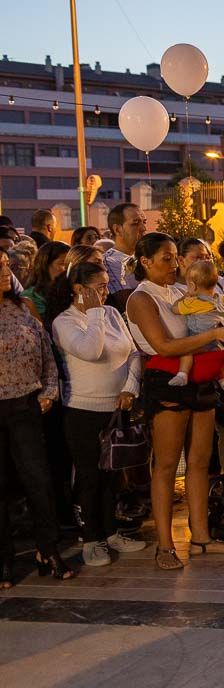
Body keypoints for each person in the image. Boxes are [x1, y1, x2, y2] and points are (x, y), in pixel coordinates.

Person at [125, 233, 224, 570]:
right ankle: (164, 545)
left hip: (199, 376)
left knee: (199, 460)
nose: (174, 264)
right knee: (165, 465)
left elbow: (208, 319)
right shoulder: (141, 298)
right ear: (145, 261)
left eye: (177, 257)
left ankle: (202, 537)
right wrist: (212, 336)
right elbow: (162, 345)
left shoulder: (181, 291)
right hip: (167, 379)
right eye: (166, 258)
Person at [50, 261, 146, 567]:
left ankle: (111, 530)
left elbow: (132, 351)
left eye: (107, 285)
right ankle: (91, 538)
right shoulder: (64, 322)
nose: (106, 293)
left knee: (113, 474)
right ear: (79, 289)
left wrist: (130, 386)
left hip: (117, 406)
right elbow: (91, 350)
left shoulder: (111, 313)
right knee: (90, 475)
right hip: (83, 409)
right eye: (99, 287)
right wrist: (92, 313)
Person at [0, 250, 76, 587]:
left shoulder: (22, 307)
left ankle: (48, 549)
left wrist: (48, 391)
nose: (6, 270)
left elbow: (46, 352)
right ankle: (4, 561)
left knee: (39, 481)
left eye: (5, 265)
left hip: (26, 406)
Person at [168, 261, 224, 389]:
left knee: (186, 351)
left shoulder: (194, 302)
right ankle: (222, 377)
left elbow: (174, 309)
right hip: (220, 341)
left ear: (193, 286)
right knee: (217, 357)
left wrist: (183, 297)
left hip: (199, 338)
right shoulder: (223, 299)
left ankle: (182, 374)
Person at [176, 239, 224, 325]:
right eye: (198, 258)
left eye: (207, 257)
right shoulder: (175, 289)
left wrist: (214, 315)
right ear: (181, 260)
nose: (204, 262)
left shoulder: (217, 279)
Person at [102, 203, 147, 310]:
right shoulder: (109, 261)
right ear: (118, 229)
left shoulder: (147, 256)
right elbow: (128, 302)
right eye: (135, 224)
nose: (143, 228)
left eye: (144, 222)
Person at [21, 241, 68, 321]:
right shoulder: (30, 297)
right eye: (62, 264)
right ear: (45, 265)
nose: (68, 269)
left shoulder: (73, 293)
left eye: (71, 265)